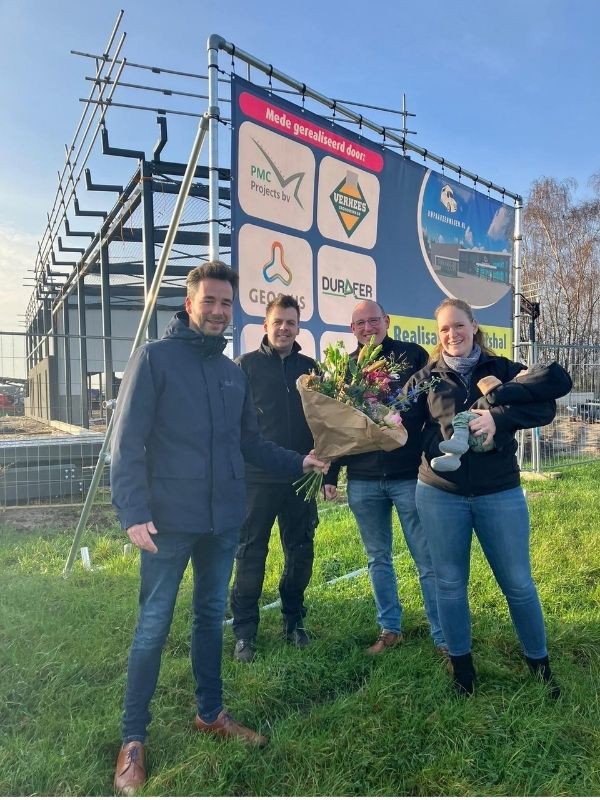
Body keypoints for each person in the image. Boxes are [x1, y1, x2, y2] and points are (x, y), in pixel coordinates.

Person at [110, 262, 327, 795]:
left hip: (223, 519)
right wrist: (134, 510)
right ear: (190, 304)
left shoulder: (232, 373)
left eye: (226, 303)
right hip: (168, 521)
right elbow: (127, 439)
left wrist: (300, 461)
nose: (218, 311)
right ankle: (133, 738)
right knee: (153, 626)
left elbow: (249, 444)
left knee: (211, 618)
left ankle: (210, 713)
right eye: (209, 301)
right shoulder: (155, 359)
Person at [405, 297, 560, 697]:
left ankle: (539, 666)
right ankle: (463, 673)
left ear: (474, 326)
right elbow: (399, 422)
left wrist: (499, 417)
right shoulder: (426, 378)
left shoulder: (504, 370)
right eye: (444, 329)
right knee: (450, 585)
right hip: (440, 494)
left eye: (459, 325)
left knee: (519, 584)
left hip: (499, 492)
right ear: (436, 336)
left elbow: (546, 409)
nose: (452, 334)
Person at [323, 300, 446, 655]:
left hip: (409, 475)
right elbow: (336, 427)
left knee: (426, 559)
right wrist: (331, 473)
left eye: (373, 320)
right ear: (352, 329)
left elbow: (432, 410)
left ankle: (442, 636)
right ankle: (390, 630)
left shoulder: (412, 355)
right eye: (359, 323)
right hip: (362, 479)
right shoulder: (345, 368)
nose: (367, 328)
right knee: (378, 558)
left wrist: (427, 450)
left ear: (387, 321)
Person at [230, 294, 318, 662]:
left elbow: (323, 422)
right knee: (251, 553)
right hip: (257, 479)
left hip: (301, 479)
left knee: (300, 552)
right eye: (278, 322)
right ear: (265, 326)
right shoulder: (244, 366)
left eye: (291, 323)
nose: (284, 328)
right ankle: (245, 633)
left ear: (298, 328)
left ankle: (293, 622)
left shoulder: (310, 368)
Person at [431, 362, 573, 471]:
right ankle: (453, 457)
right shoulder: (532, 392)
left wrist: (497, 415)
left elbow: (495, 396)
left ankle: (458, 443)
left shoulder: (516, 382)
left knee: (461, 418)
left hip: (494, 468)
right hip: (490, 444)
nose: (521, 371)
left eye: (525, 371)